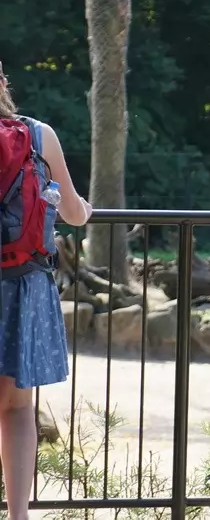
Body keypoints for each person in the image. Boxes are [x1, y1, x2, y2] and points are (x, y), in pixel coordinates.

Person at [0, 60, 92, 520]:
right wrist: (86, 209)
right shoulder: (38, 135)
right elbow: (73, 213)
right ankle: (18, 516)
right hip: (24, 285)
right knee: (18, 408)